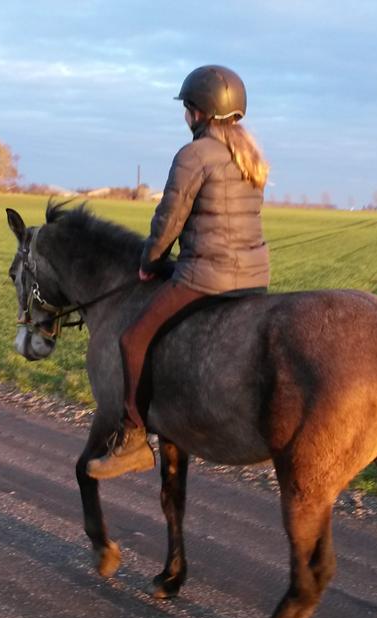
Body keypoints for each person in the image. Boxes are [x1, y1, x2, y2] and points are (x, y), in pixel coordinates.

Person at [86, 65, 271, 479]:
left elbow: (168, 220)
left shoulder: (193, 155)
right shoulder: (251, 156)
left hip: (208, 276)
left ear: (197, 112)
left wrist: (150, 262)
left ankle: (133, 439)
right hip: (253, 278)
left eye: (187, 108)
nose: (186, 115)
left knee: (132, 339)